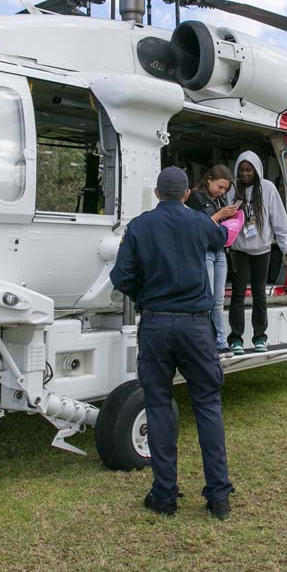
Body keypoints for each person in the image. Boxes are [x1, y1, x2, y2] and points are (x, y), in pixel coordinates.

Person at [109, 166, 235, 519]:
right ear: (186, 194)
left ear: (157, 193)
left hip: (156, 324)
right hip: (196, 326)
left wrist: (146, 294)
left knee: (159, 406)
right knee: (207, 405)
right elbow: (220, 240)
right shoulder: (199, 222)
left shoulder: (140, 226)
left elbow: (121, 277)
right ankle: (219, 497)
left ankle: (164, 495)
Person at [226, 151, 287, 356]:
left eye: (249, 170)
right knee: (237, 295)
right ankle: (235, 339)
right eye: (241, 170)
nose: (245, 174)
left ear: (257, 170)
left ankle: (260, 337)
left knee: (259, 294)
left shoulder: (268, 188)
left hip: (262, 250)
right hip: (239, 250)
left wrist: (286, 246)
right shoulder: (232, 189)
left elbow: (279, 218)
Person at [186, 165, 243, 355]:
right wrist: (220, 215)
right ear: (209, 179)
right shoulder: (195, 198)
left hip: (220, 251)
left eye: (226, 189)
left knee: (218, 300)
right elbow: (196, 227)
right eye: (220, 187)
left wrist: (231, 218)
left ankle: (220, 341)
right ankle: (207, 341)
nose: (222, 191)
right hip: (205, 252)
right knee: (207, 297)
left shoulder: (219, 200)